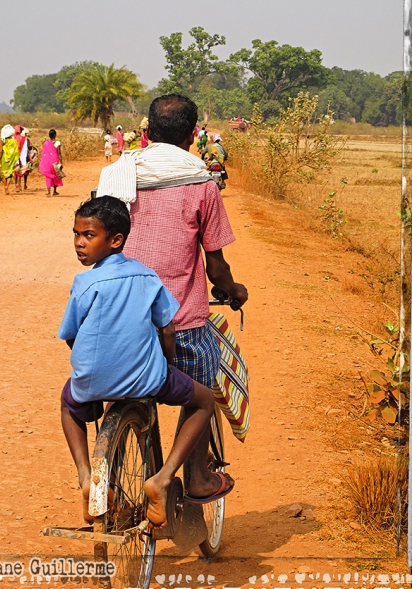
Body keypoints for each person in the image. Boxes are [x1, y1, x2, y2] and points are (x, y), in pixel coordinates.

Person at [96, 94, 248, 500]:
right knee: (202, 383)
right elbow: (215, 267)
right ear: (193, 134)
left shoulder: (115, 177)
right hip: (179, 325)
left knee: (119, 387)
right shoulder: (201, 184)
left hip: (116, 322)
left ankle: (104, 480)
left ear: (147, 131)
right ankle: (196, 475)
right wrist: (232, 290)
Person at [58, 195, 227, 528]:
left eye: (88, 235)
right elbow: (167, 327)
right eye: (77, 234)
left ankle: (86, 477)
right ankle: (163, 479)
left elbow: (71, 335)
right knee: (205, 401)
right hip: (147, 377)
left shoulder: (85, 283)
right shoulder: (148, 277)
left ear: (116, 240)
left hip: (92, 380)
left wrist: (90, 368)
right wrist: (167, 364)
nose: (79, 242)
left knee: (68, 404)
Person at [39, 129, 63, 196]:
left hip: (47, 162)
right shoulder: (57, 143)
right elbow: (59, 153)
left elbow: (44, 153)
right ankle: (55, 191)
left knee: (48, 176)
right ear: (55, 135)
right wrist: (61, 162)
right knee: (56, 175)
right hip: (55, 161)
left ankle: (49, 192)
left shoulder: (46, 143)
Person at [0, 124, 19, 195]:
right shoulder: (14, 141)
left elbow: (0, 151)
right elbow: (16, 151)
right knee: (10, 174)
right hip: (11, 160)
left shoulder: (3, 141)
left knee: (4, 174)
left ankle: (5, 186)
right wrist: (16, 160)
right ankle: (7, 186)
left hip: (4, 159)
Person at [13, 125, 31, 192]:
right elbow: (24, 150)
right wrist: (22, 159)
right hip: (21, 156)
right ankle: (19, 184)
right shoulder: (24, 139)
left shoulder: (12, 138)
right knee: (20, 171)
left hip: (13, 156)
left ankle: (16, 185)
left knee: (15, 171)